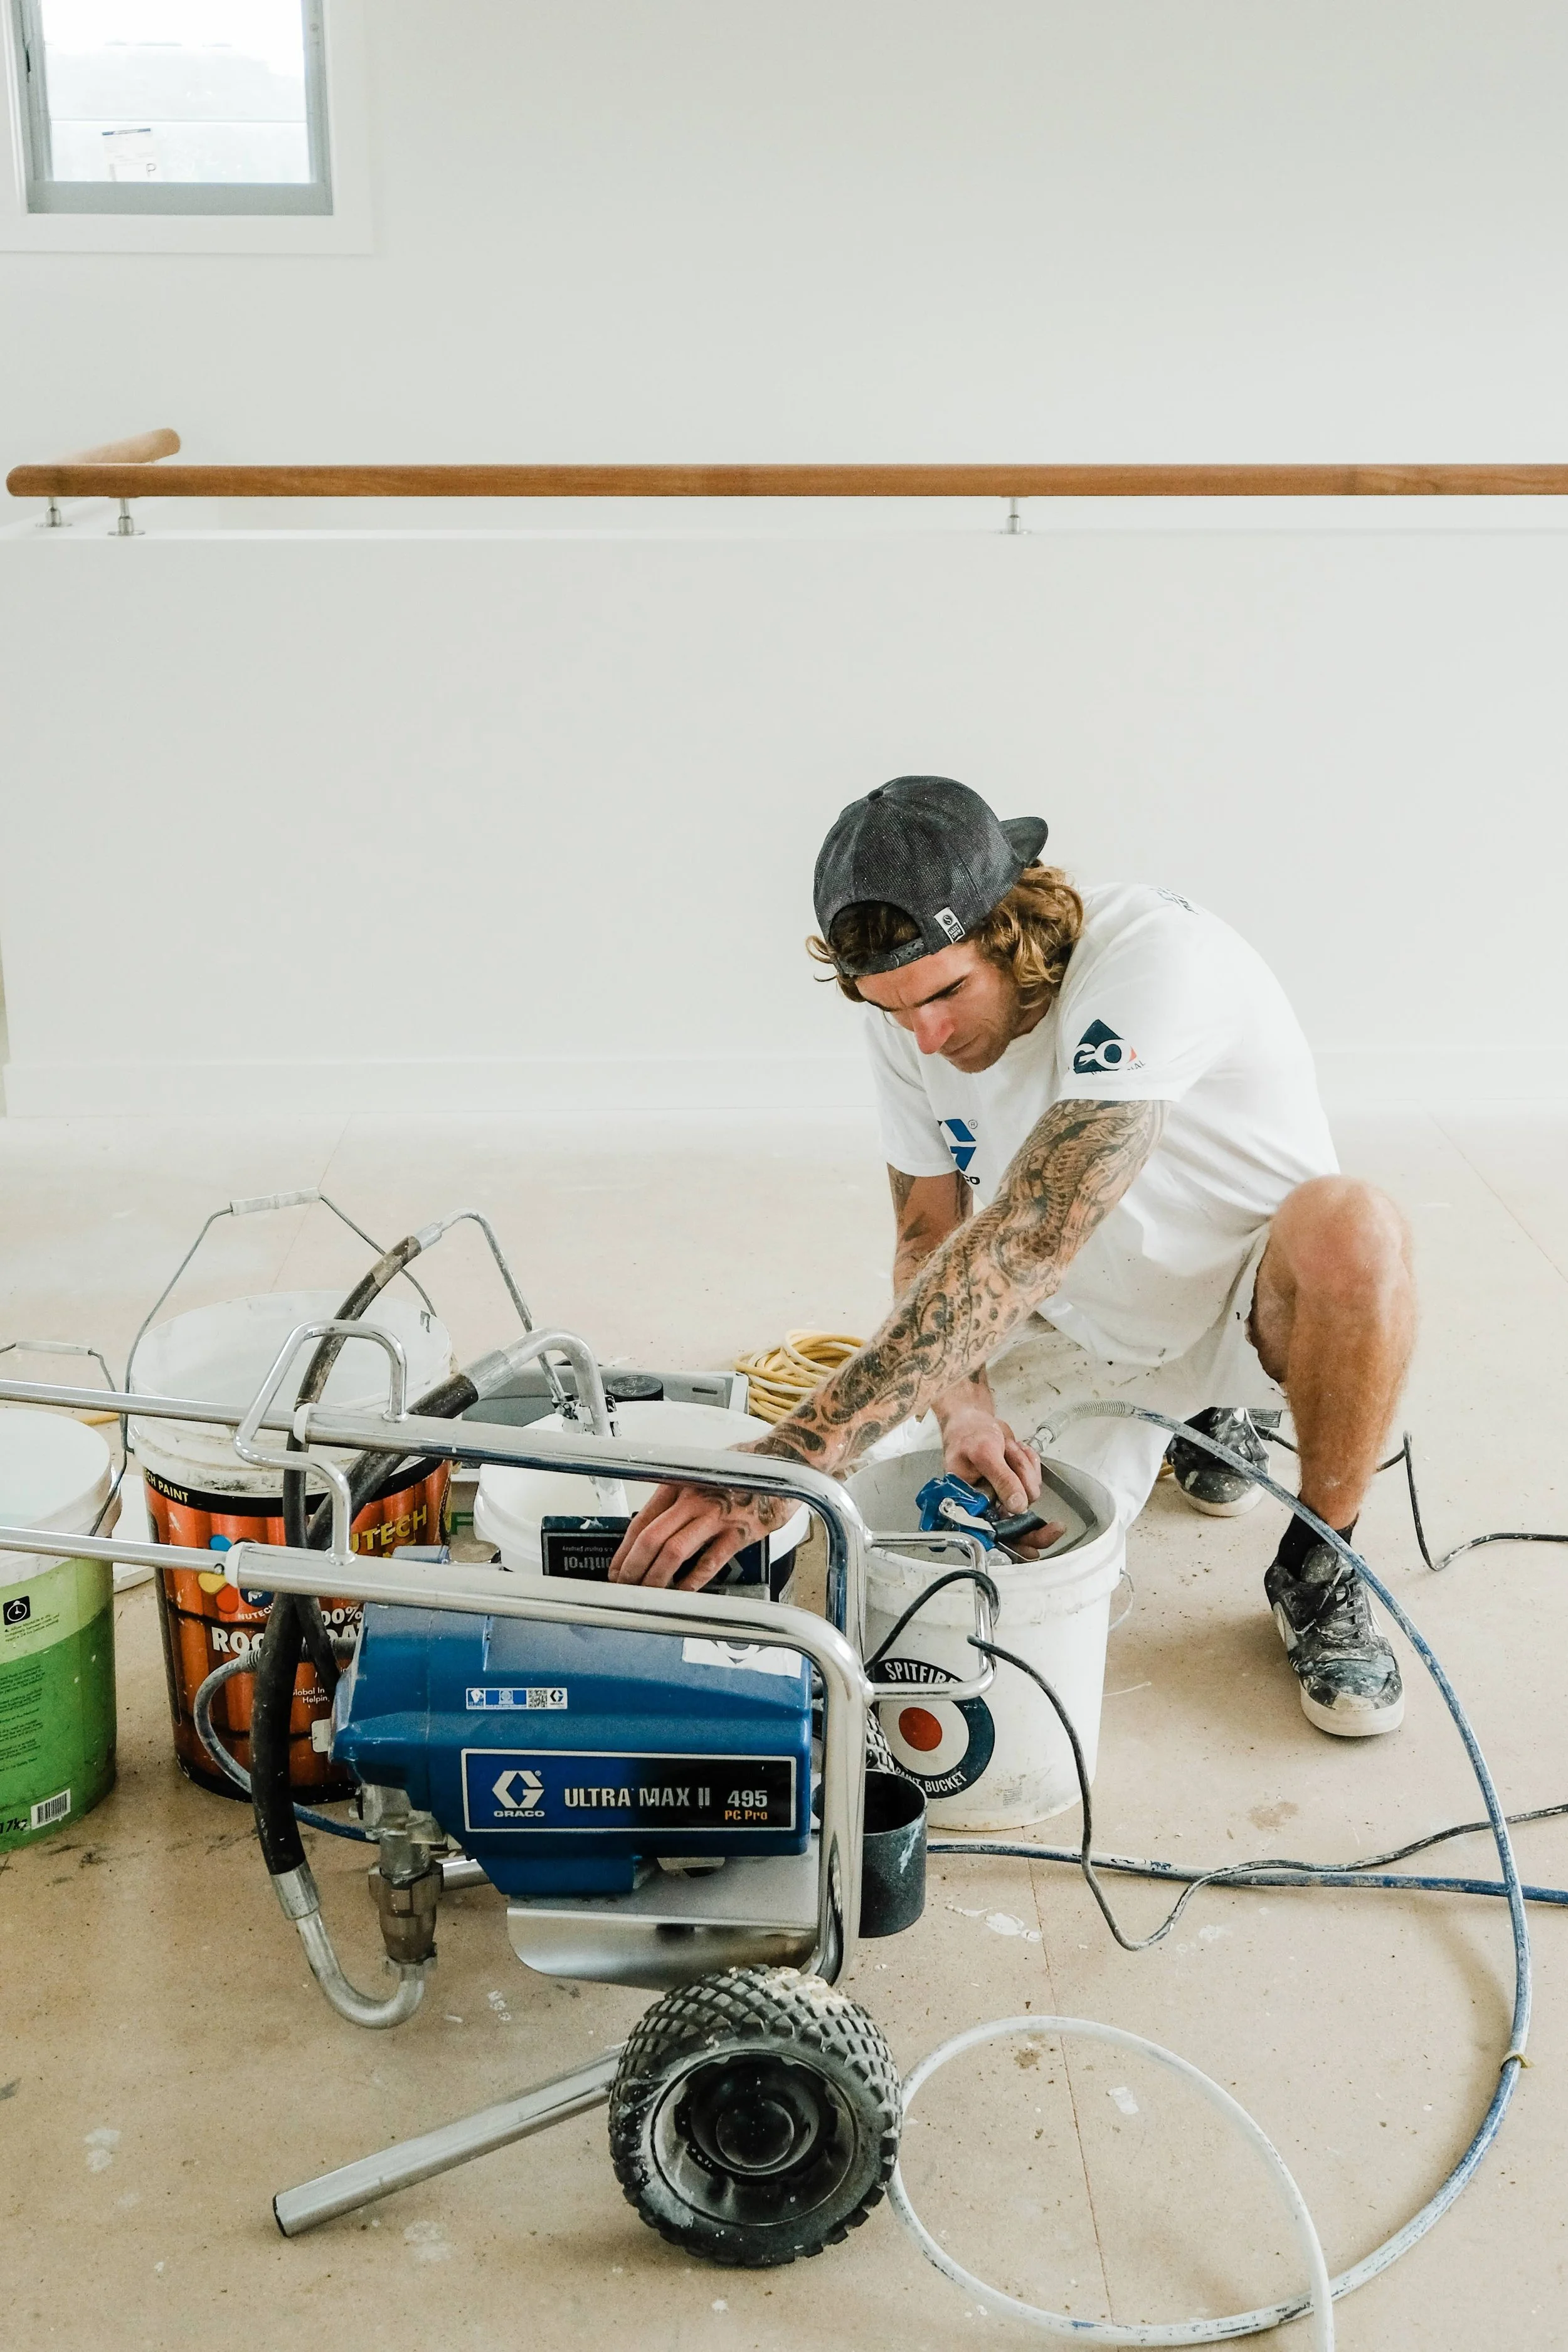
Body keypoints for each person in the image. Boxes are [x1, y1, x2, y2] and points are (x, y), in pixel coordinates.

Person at [610, 775, 1414, 1738]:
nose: (927, 1034)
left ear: (1016, 924)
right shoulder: (910, 1023)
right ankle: (1192, 1420)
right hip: (1083, 1320)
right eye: (892, 1007)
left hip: (1253, 1304)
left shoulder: (1155, 958)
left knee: (1356, 1229)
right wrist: (965, 1404)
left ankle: (1321, 1560)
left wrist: (795, 1454)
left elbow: (1033, 1231)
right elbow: (927, 1235)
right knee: (982, 1579)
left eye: (947, 992)